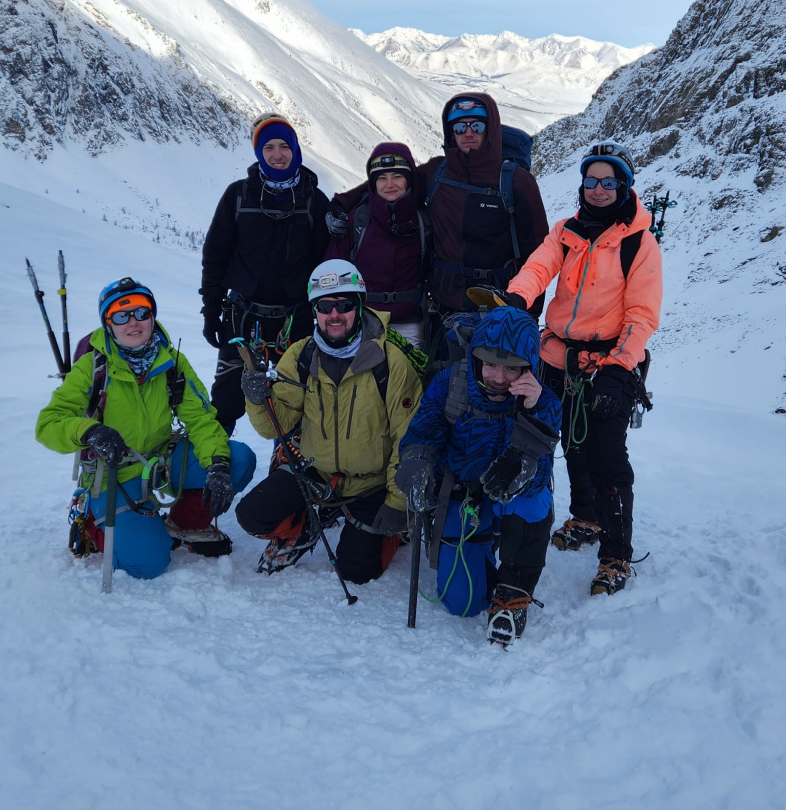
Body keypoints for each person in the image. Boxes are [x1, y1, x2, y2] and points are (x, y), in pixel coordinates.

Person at [505, 143, 662, 597]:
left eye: (607, 182)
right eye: (590, 181)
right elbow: (539, 267)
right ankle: (587, 516)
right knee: (571, 444)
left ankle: (616, 554)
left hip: (608, 363)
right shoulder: (568, 232)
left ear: (623, 187)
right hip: (559, 357)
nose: (597, 190)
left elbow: (642, 315)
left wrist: (620, 368)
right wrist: (519, 297)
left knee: (607, 457)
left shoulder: (638, 242)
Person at [37, 278, 256, 580]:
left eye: (141, 313)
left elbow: (202, 420)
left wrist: (217, 464)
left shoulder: (172, 363)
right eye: (121, 315)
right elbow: (48, 423)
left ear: (152, 316)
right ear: (108, 323)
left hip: (161, 465)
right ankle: (94, 523)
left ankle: (185, 525)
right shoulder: (92, 367)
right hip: (114, 475)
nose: (133, 323)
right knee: (149, 564)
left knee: (238, 459)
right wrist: (90, 431)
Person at [234, 260, 423, 583]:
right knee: (251, 515)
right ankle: (304, 523)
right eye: (325, 306)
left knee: (357, 570)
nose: (334, 315)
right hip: (316, 474)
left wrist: (397, 503)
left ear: (359, 306)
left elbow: (407, 438)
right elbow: (273, 427)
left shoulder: (390, 362)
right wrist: (257, 397)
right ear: (315, 310)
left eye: (344, 305)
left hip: (371, 484)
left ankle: (395, 533)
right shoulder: (300, 355)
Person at [396, 306, 562, 646]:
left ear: (529, 366)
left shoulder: (544, 401)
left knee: (534, 499)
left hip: (510, 497)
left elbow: (542, 468)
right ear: (475, 358)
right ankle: (486, 544)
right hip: (463, 493)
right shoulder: (451, 382)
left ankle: (514, 592)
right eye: (490, 364)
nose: (499, 378)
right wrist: (417, 462)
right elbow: (423, 431)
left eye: (512, 368)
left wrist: (533, 412)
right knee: (463, 604)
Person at [327, 92, 548, 342]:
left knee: (492, 380)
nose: (468, 133)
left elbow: (539, 254)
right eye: (459, 126)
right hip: (443, 307)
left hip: (499, 306)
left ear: (490, 129)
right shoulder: (438, 172)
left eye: (477, 125)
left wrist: (527, 316)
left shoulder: (516, 181)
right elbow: (392, 182)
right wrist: (341, 204)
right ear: (450, 131)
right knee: (442, 378)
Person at [199, 113, 332, 435]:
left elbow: (325, 262)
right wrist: (211, 311)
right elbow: (216, 255)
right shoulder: (238, 196)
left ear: (295, 149)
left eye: (283, 146)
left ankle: (289, 474)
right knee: (227, 401)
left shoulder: (314, 201)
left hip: (295, 319)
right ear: (259, 152)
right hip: (243, 317)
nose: (277, 154)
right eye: (268, 146)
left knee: (295, 401)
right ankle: (216, 470)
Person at [324, 142, 429, 347]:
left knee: (408, 378)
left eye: (397, 176)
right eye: (382, 178)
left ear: (409, 180)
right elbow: (333, 269)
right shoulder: (358, 220)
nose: (389, 184)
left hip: (409, 323)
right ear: (372, 184)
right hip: (363, 319)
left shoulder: (423, 222)